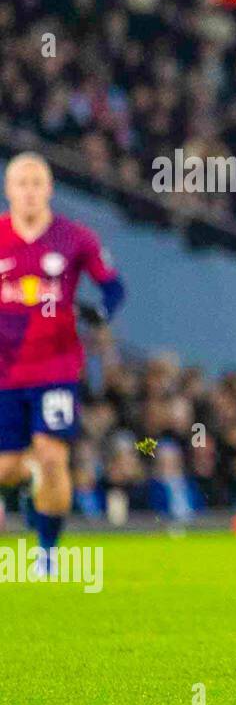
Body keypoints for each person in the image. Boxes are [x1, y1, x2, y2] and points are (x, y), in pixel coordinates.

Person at [0, 152, 125, 576]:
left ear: (50, 188)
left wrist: (102, 315)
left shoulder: (75, 237)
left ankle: (48, 553)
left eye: (38, 182)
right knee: (7, 468)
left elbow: (113, 288)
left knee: (53, 457)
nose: (30, 190)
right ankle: (27, 482)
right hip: (4, 373)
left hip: (55, 369)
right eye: (22, 183)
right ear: (9, 190)